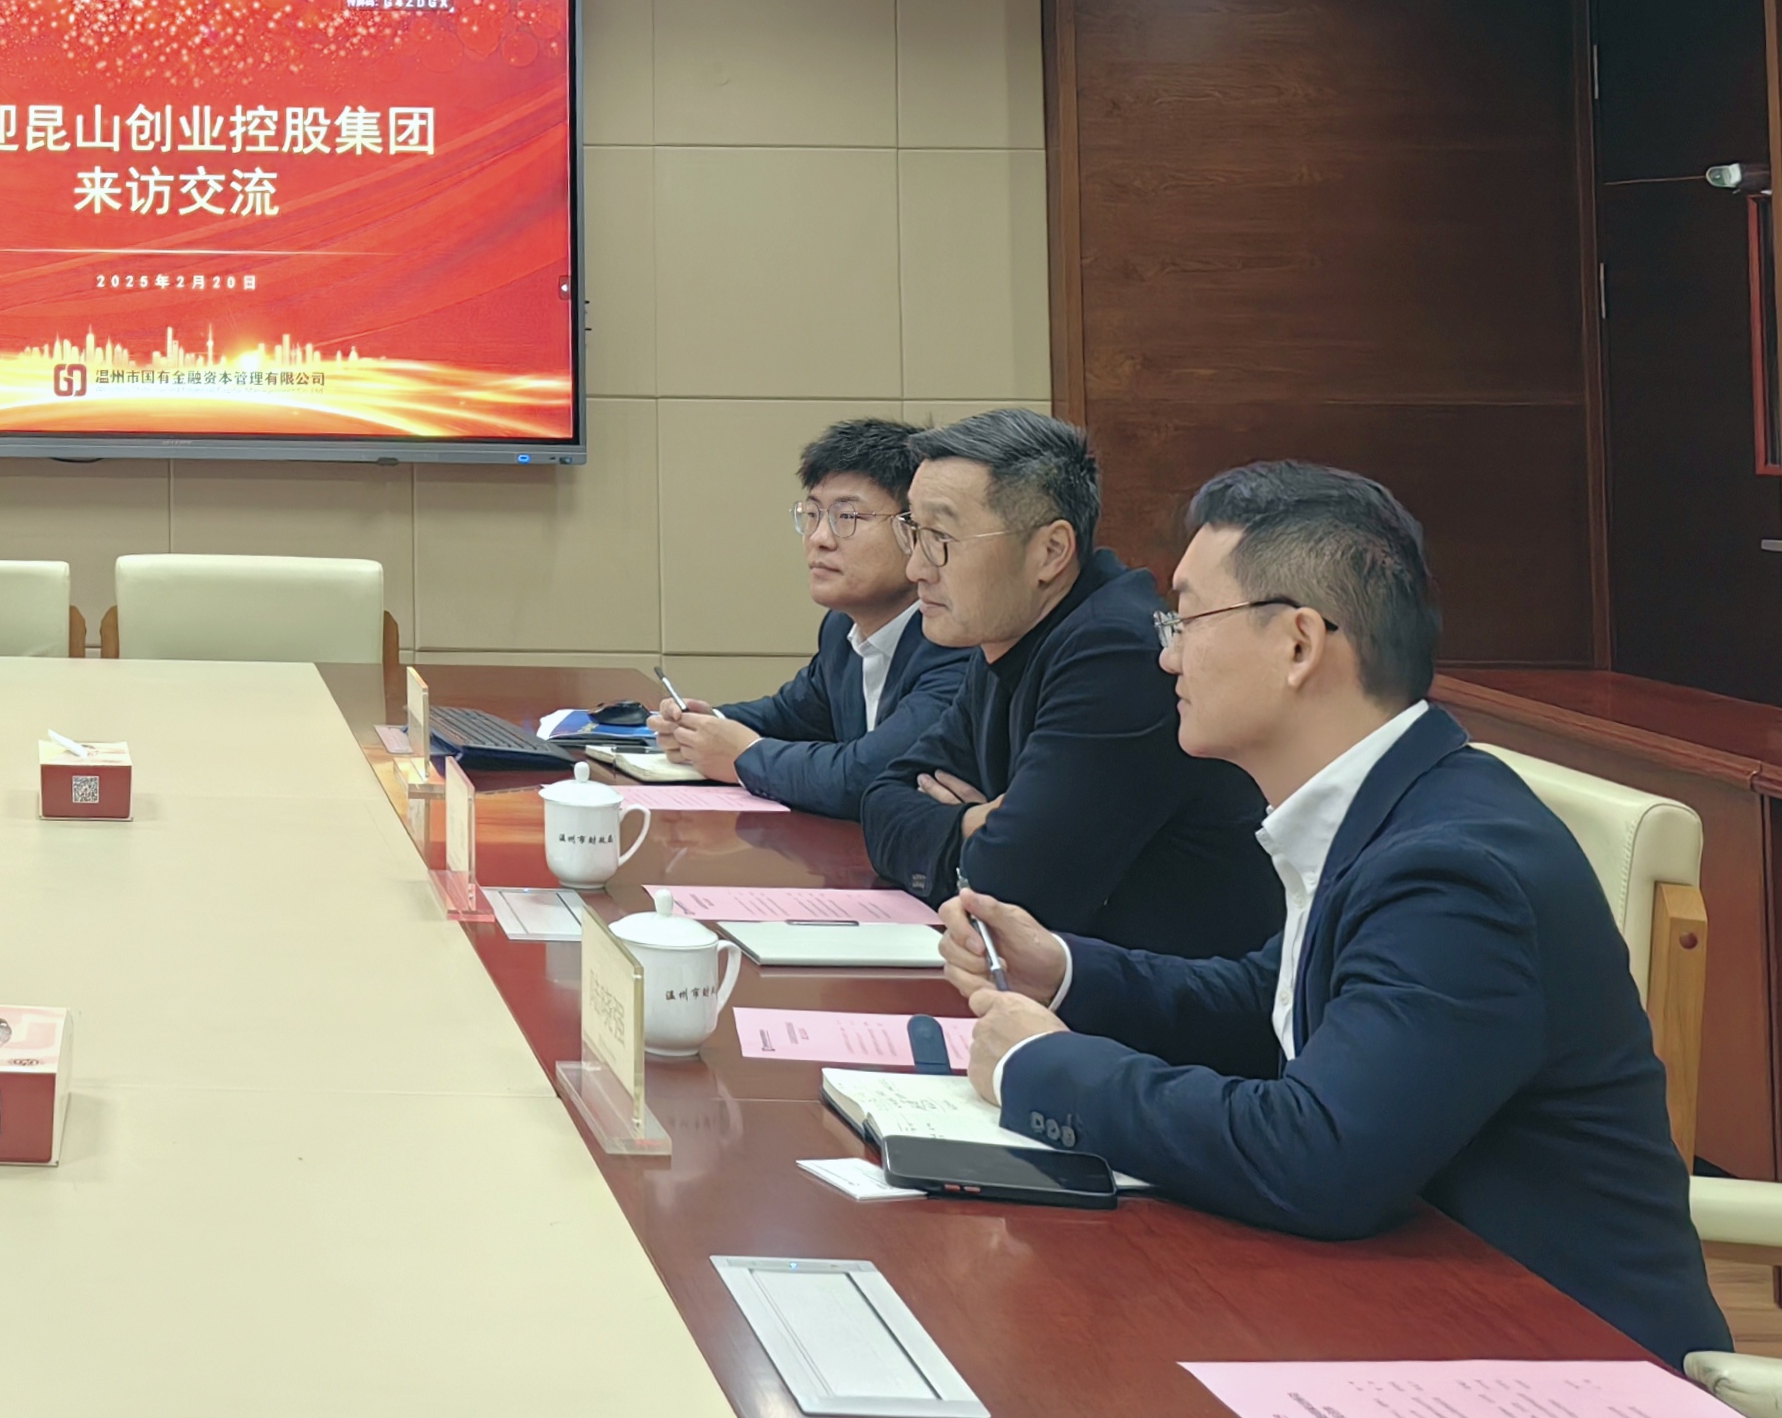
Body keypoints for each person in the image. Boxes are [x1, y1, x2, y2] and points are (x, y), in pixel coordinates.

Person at [945, 463, 1725, 1368]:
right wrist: (1067, 972)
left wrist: (1046, 1068)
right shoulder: (1394, 804)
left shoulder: (1454, 868)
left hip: (1558, 1358)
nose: (1167, 658)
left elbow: (1321, 1156)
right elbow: (1269, 1003)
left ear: (1300, 644)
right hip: (1409, 1310)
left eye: (1186, 621)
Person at [860, 409, 1277, 956]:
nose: (915, 567)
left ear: (1051, 552)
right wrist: (972, 823)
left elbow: (1009, 890)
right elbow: (882, 800)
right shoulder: (1007, 633)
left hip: (1171, 997)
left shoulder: (1116, 655)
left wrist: (971, 837)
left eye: (940, 537)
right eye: (912, 532)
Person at [649, 416, 970, 816]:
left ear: (915, 528)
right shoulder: (842, 627)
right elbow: (791, 715)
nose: (819, 538)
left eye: (847, 517)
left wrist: (743, 755)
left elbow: (865, 774)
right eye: (813, 514)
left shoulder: (954, 640)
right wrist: (704, 724)